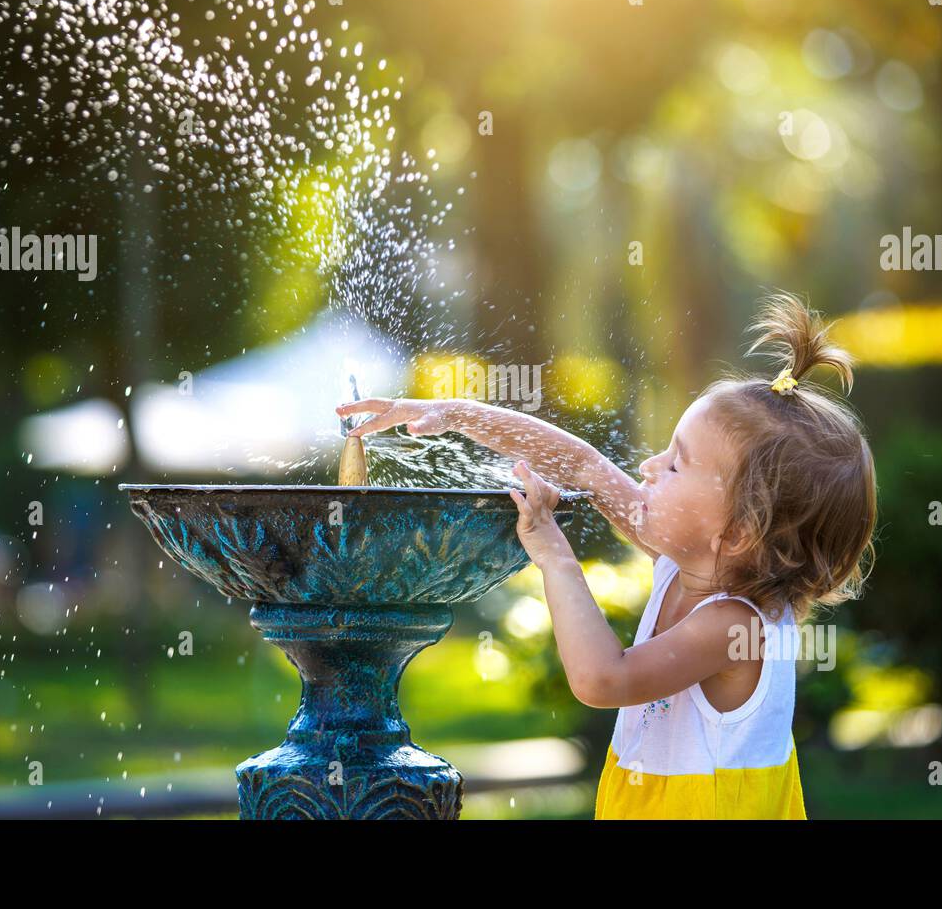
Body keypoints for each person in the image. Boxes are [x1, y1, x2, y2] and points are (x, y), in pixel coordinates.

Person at [336, 292, 876, 819]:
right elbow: (583, 465)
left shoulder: (737, 629)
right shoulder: (693, 564)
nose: (648, 465)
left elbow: (602, 681)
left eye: (676, 465)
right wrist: (450, 413)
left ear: (736, 533)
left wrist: (556, 558)